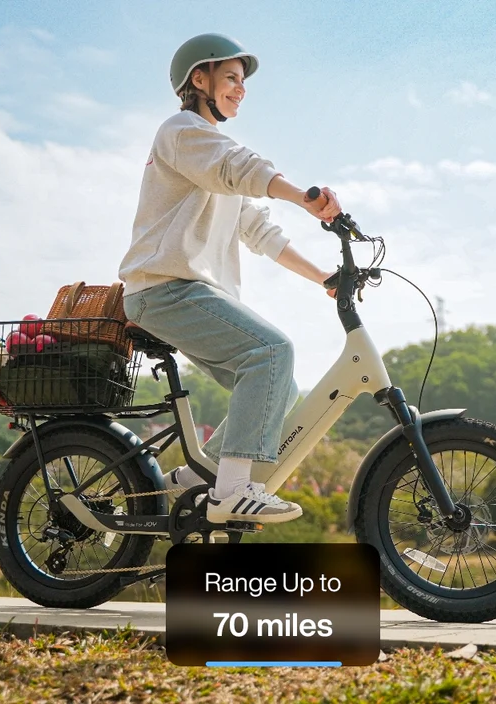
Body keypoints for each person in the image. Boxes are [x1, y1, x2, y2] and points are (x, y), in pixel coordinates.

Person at [118, 33, 341, 524]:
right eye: (232, 79)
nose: (241, 89)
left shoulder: (211, 153)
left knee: (279, 388)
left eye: (243, 82)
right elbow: (237, 168)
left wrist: (324, 275)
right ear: (199, 79)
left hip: (186, 292)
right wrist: (303, 197)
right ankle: (231, 491)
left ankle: (197, 481)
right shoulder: (182, 132)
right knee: (270, 352)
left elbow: (260, 232)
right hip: (164, 289)